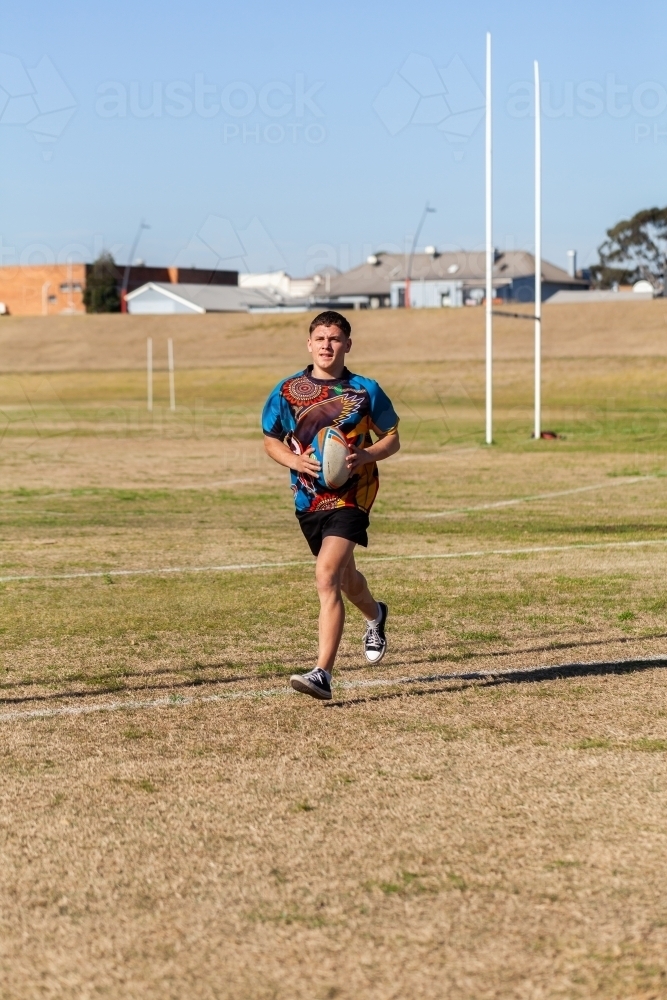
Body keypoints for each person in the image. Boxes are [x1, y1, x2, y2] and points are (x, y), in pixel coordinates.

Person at [262, 310, 400, 701]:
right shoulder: (288, 391)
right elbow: (270, 439)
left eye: (335, 338)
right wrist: (294, 461)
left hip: (352, 496)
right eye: (320, 338)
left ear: (347, 345)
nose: (327, 344)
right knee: (344, 579)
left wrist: (366, 455)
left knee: (325, 576)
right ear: (309, 344)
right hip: (308, 499)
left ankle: (322, 673)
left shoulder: (364, 390)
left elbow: (392, 438)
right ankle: (375, 614)